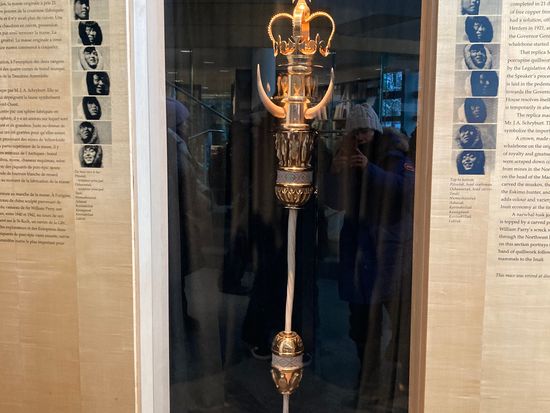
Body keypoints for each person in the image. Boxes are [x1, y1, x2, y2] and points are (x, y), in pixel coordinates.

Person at [328, 104, 414, 407]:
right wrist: (335, 173)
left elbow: (406, 192)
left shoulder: (396, 156)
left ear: (375, 130)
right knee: (363, 326)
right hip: (359, 253)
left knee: (400, 322)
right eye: (355, 133)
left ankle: (402, 380)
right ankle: (369, 381)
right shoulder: (345, 158)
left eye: (364, 131)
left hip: (390, 252)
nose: (360, 138)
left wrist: (370, 169)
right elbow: (335, 202)